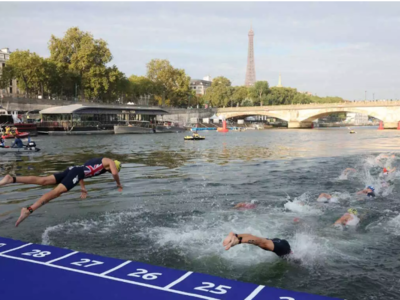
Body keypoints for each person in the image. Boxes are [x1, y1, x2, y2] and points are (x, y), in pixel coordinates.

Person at [0, 157, 122, 227]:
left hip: (73, 170)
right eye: (111, 170)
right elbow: (115, 173)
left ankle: (11, 179)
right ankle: (29, 210)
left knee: (44, 181)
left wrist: (83, 188)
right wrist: (118, 184)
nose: (110, 172)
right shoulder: (109, 161)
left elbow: (82, 170)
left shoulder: (97, 162)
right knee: (56, 192)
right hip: (76, 172)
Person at [223, 232, 292, 258]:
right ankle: (238, 240)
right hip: (282, 248)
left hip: (278, 241)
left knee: (260, 240)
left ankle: (236, 235)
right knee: (261, 242)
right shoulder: (292, 257)